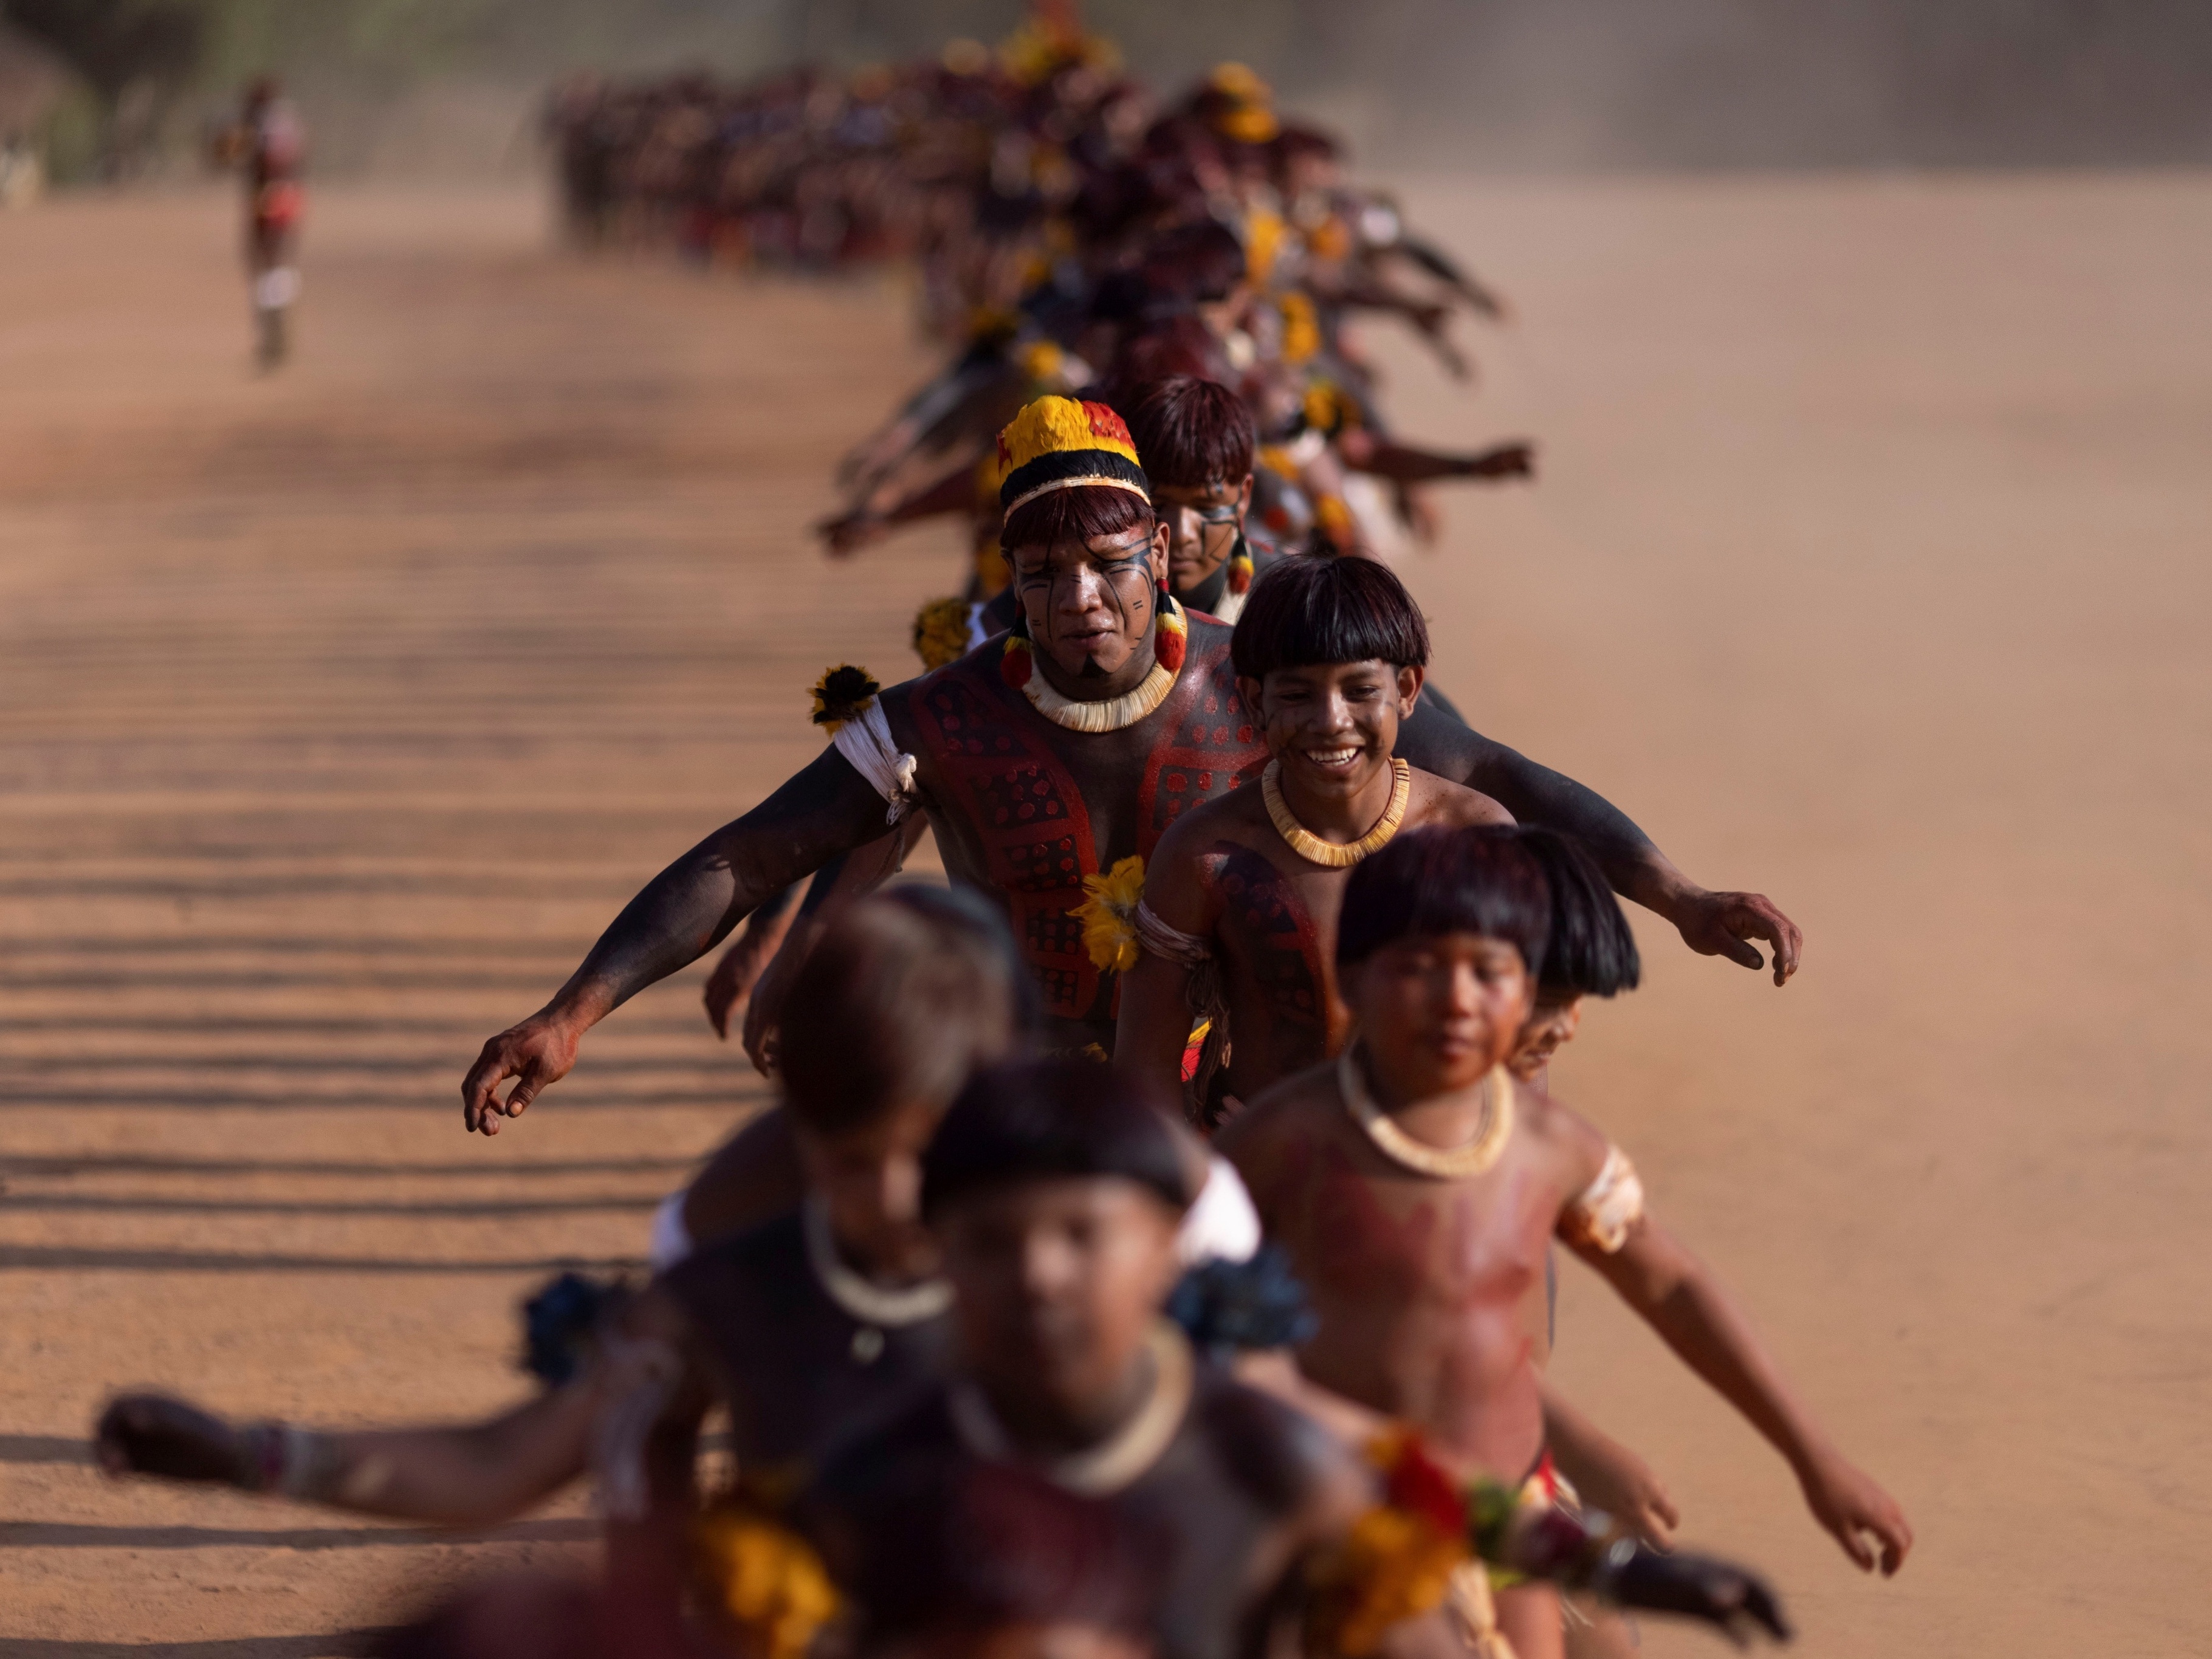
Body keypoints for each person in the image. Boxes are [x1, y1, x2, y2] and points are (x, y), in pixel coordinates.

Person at [464, 395, 1801, 1138]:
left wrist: (1676, 898)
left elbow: (1498, 774)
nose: (1081, 598)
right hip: (1013, 1091)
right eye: (1043, 574)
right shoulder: (935, 717)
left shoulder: (1268, 676)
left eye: (1109, 565)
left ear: (1160, 555)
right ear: (1011, 586)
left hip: (1252, 1096)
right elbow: (748, 855)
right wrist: (574, 1011)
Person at [95, 890, 1023, 1640]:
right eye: (853, 1162)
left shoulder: (1074, 1272)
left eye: (929, 1155)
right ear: (796, 1137)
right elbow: (499, 1460)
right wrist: (254, 1455)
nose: (896, 1194)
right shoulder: (733, 1289)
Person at [802, 1057, 1788, 1659]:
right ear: (936, 1257)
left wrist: (1620, 1571)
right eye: (989, 1243)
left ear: (1162, 1249)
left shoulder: (1260, 1450)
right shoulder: (874, 1475)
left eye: (1079, 1235)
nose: (1038, 1277)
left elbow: (1439, 1496)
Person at [1219, 826, 1911, 1659]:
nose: (1458, 999)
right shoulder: (1281, 1146)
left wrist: (1815, 1458)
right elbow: (1195, 1334)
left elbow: (1673, 1286)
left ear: (1525, 989)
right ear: (1356, 978)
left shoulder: (1551, 1147)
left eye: (1490, 971)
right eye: (1420, 966)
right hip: (1354, 1524)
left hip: (1518, 1512)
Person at [1116, 555, 1510, 1120]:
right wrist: (1213, 1174)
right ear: (1255, 701)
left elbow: (1518, 1056)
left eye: (1358, 691)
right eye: (1297, 695)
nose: (1330, 720)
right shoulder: (1204, 855)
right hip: (1260, 1178)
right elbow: (1146, 1069)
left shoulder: (1476, 836)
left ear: (1407, 688)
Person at [211, 77, 307, 368]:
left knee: (263, 261)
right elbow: (301, 156)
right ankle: (277, 324)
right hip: (290, 195)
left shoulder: (259, 125)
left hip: (267, 196)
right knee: (277, 261)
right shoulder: (288, 121)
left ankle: (272, 330)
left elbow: (238, 158)